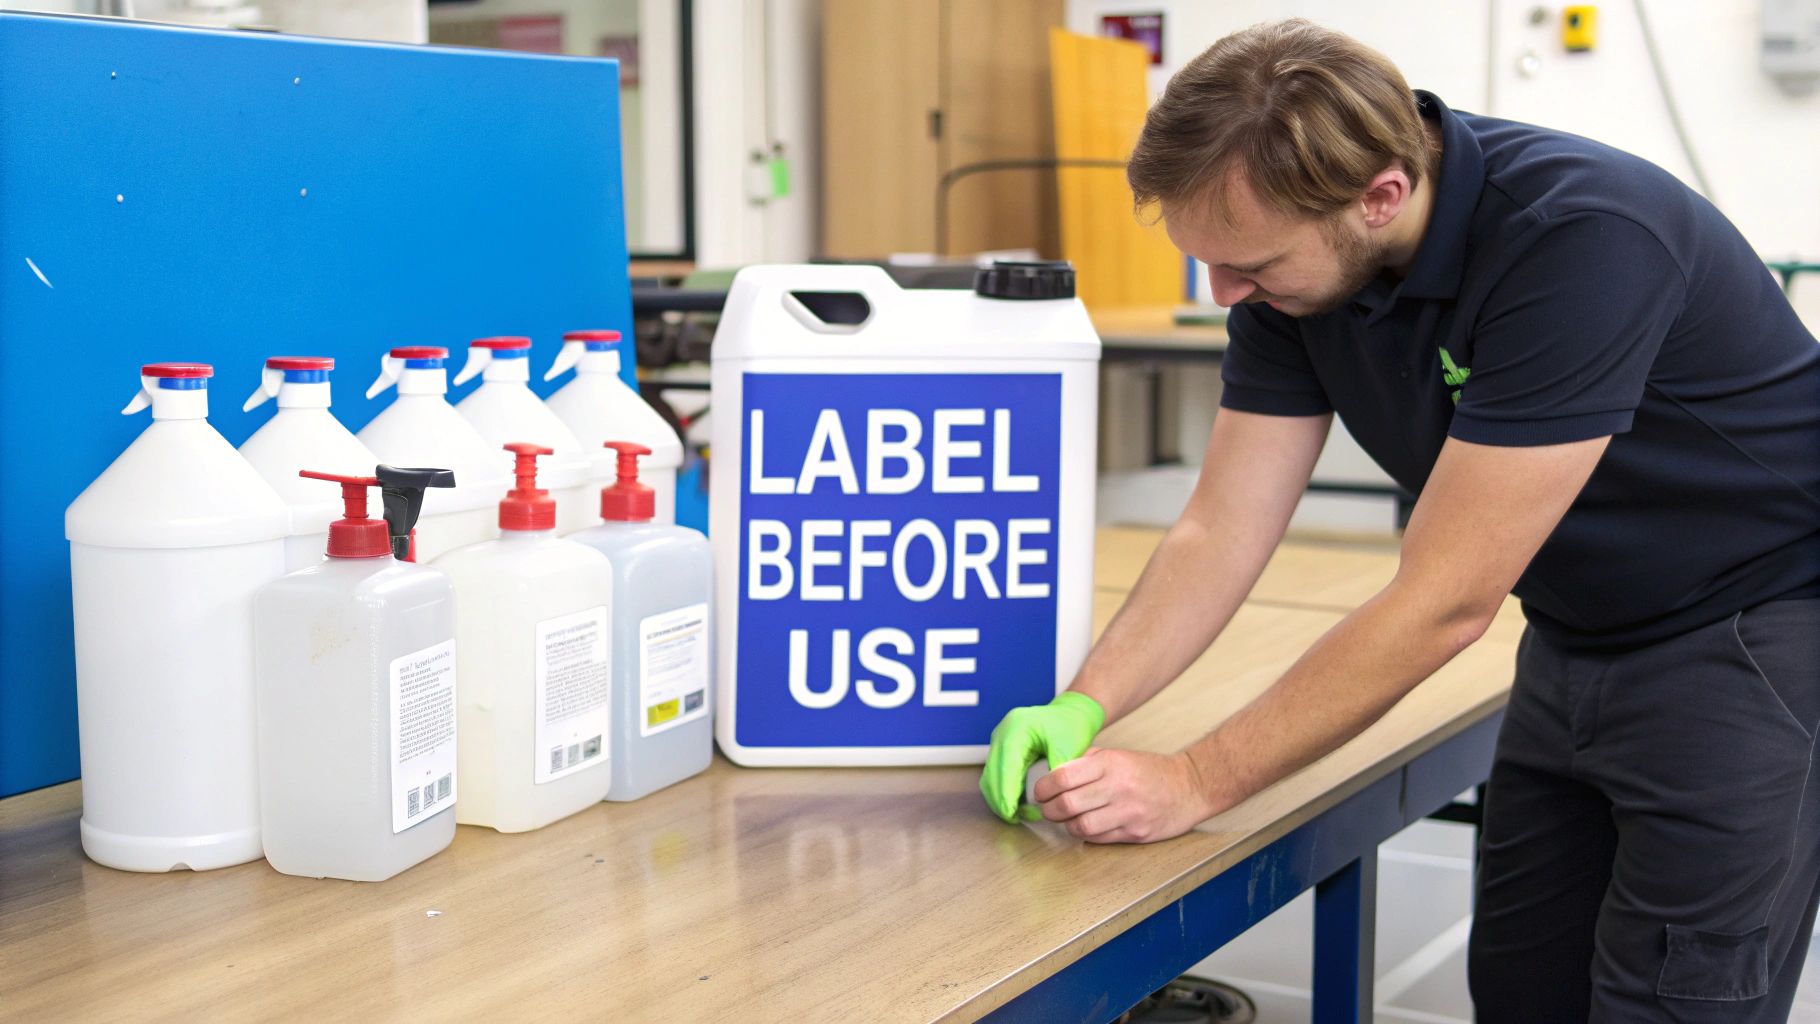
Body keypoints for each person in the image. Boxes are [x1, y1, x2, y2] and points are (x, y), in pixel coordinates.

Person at [977, 18, 1820, 1021]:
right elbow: (1220, 526)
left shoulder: (1580, 237)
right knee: (1519, 984)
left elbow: (1443, 602)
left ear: (1379, 194)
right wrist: (1087, 702)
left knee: (1672, 1000)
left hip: (1751, 634)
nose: (1223, 293)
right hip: (1571, 631)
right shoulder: (1297, 276)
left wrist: (1196, 779)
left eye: (1246, 263)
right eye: (1205, 261)